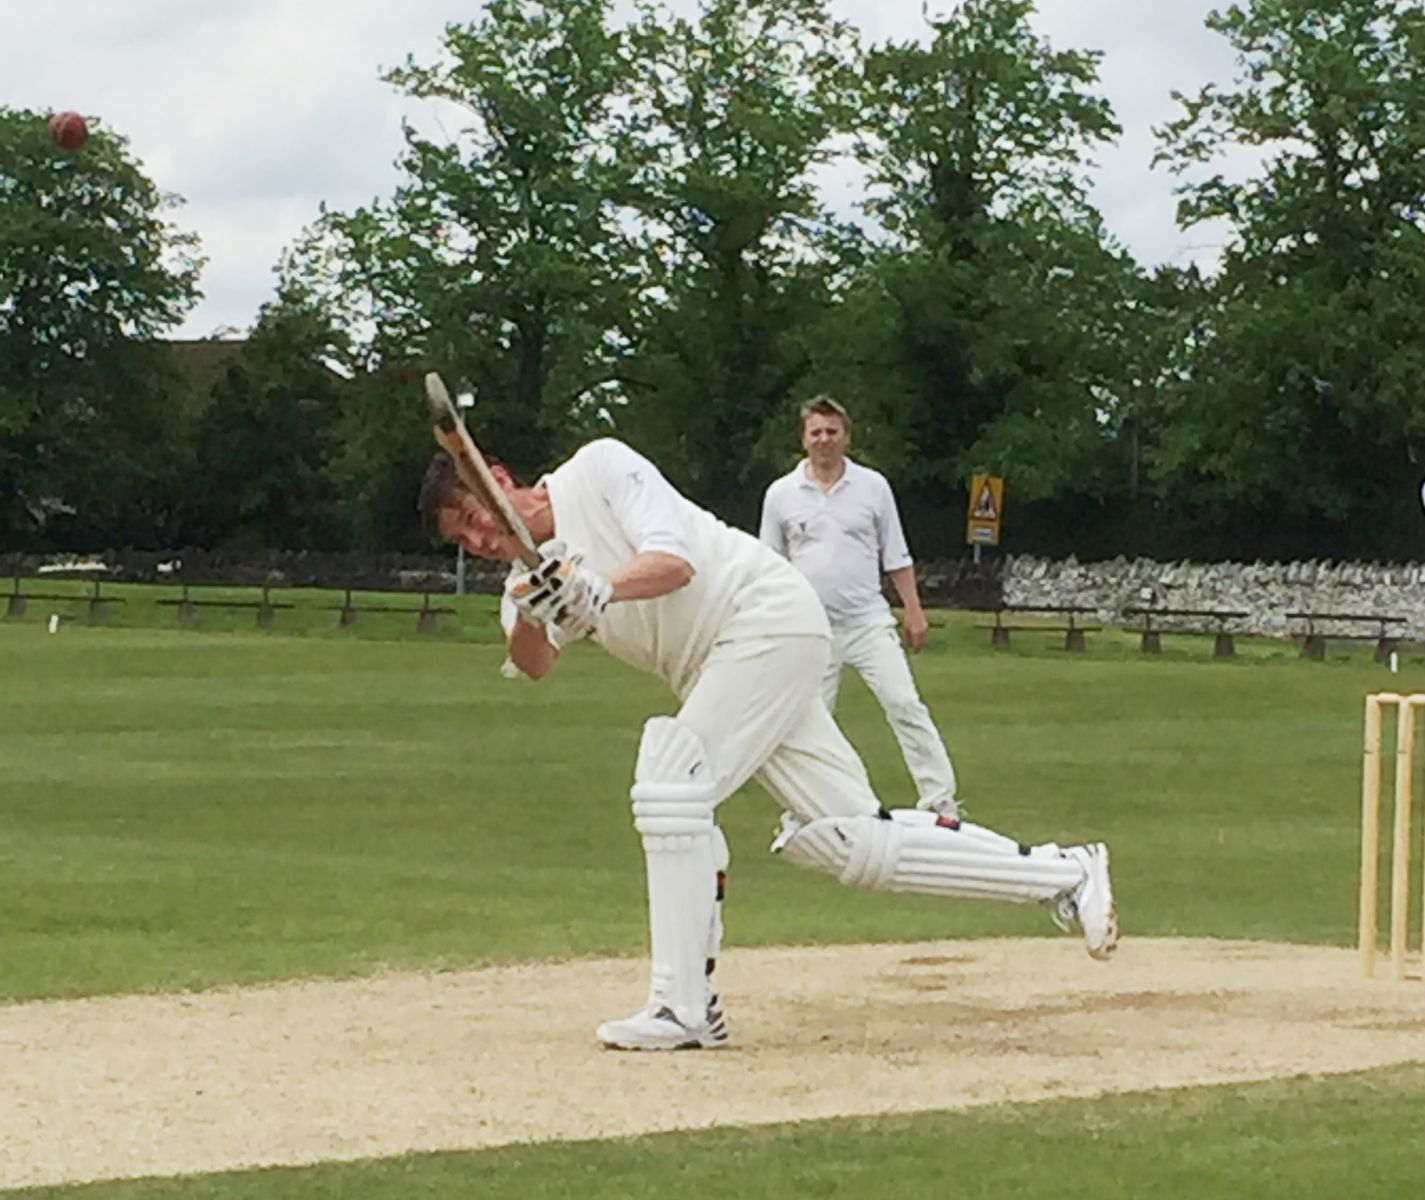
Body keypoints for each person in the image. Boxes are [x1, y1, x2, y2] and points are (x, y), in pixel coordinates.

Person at [419, 437, 1118, 1052]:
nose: (480, 539)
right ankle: (1065, 872)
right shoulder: (524, 582)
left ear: (497, 478)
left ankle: (684, 1004)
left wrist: (598, 587)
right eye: (463, 540)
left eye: (475, 516)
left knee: (673, 779)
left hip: (763, 617)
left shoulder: (597, 470)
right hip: (722, 666)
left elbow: (673, 562)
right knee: (845, 837)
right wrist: (537, 612)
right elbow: (533, 663)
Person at [760, 396, 960, 817]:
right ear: (804, 438)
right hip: (810, 626)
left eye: (832, 432)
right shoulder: (781, 493)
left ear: (846, 436)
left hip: (867, 620)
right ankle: (805, 809)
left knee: (904, 703)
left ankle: (940, 799)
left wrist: (914, 609)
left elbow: (897, 555)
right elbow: (770, 565)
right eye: (816, 432)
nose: (824, 440)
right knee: (809, 722)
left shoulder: (873, 487)